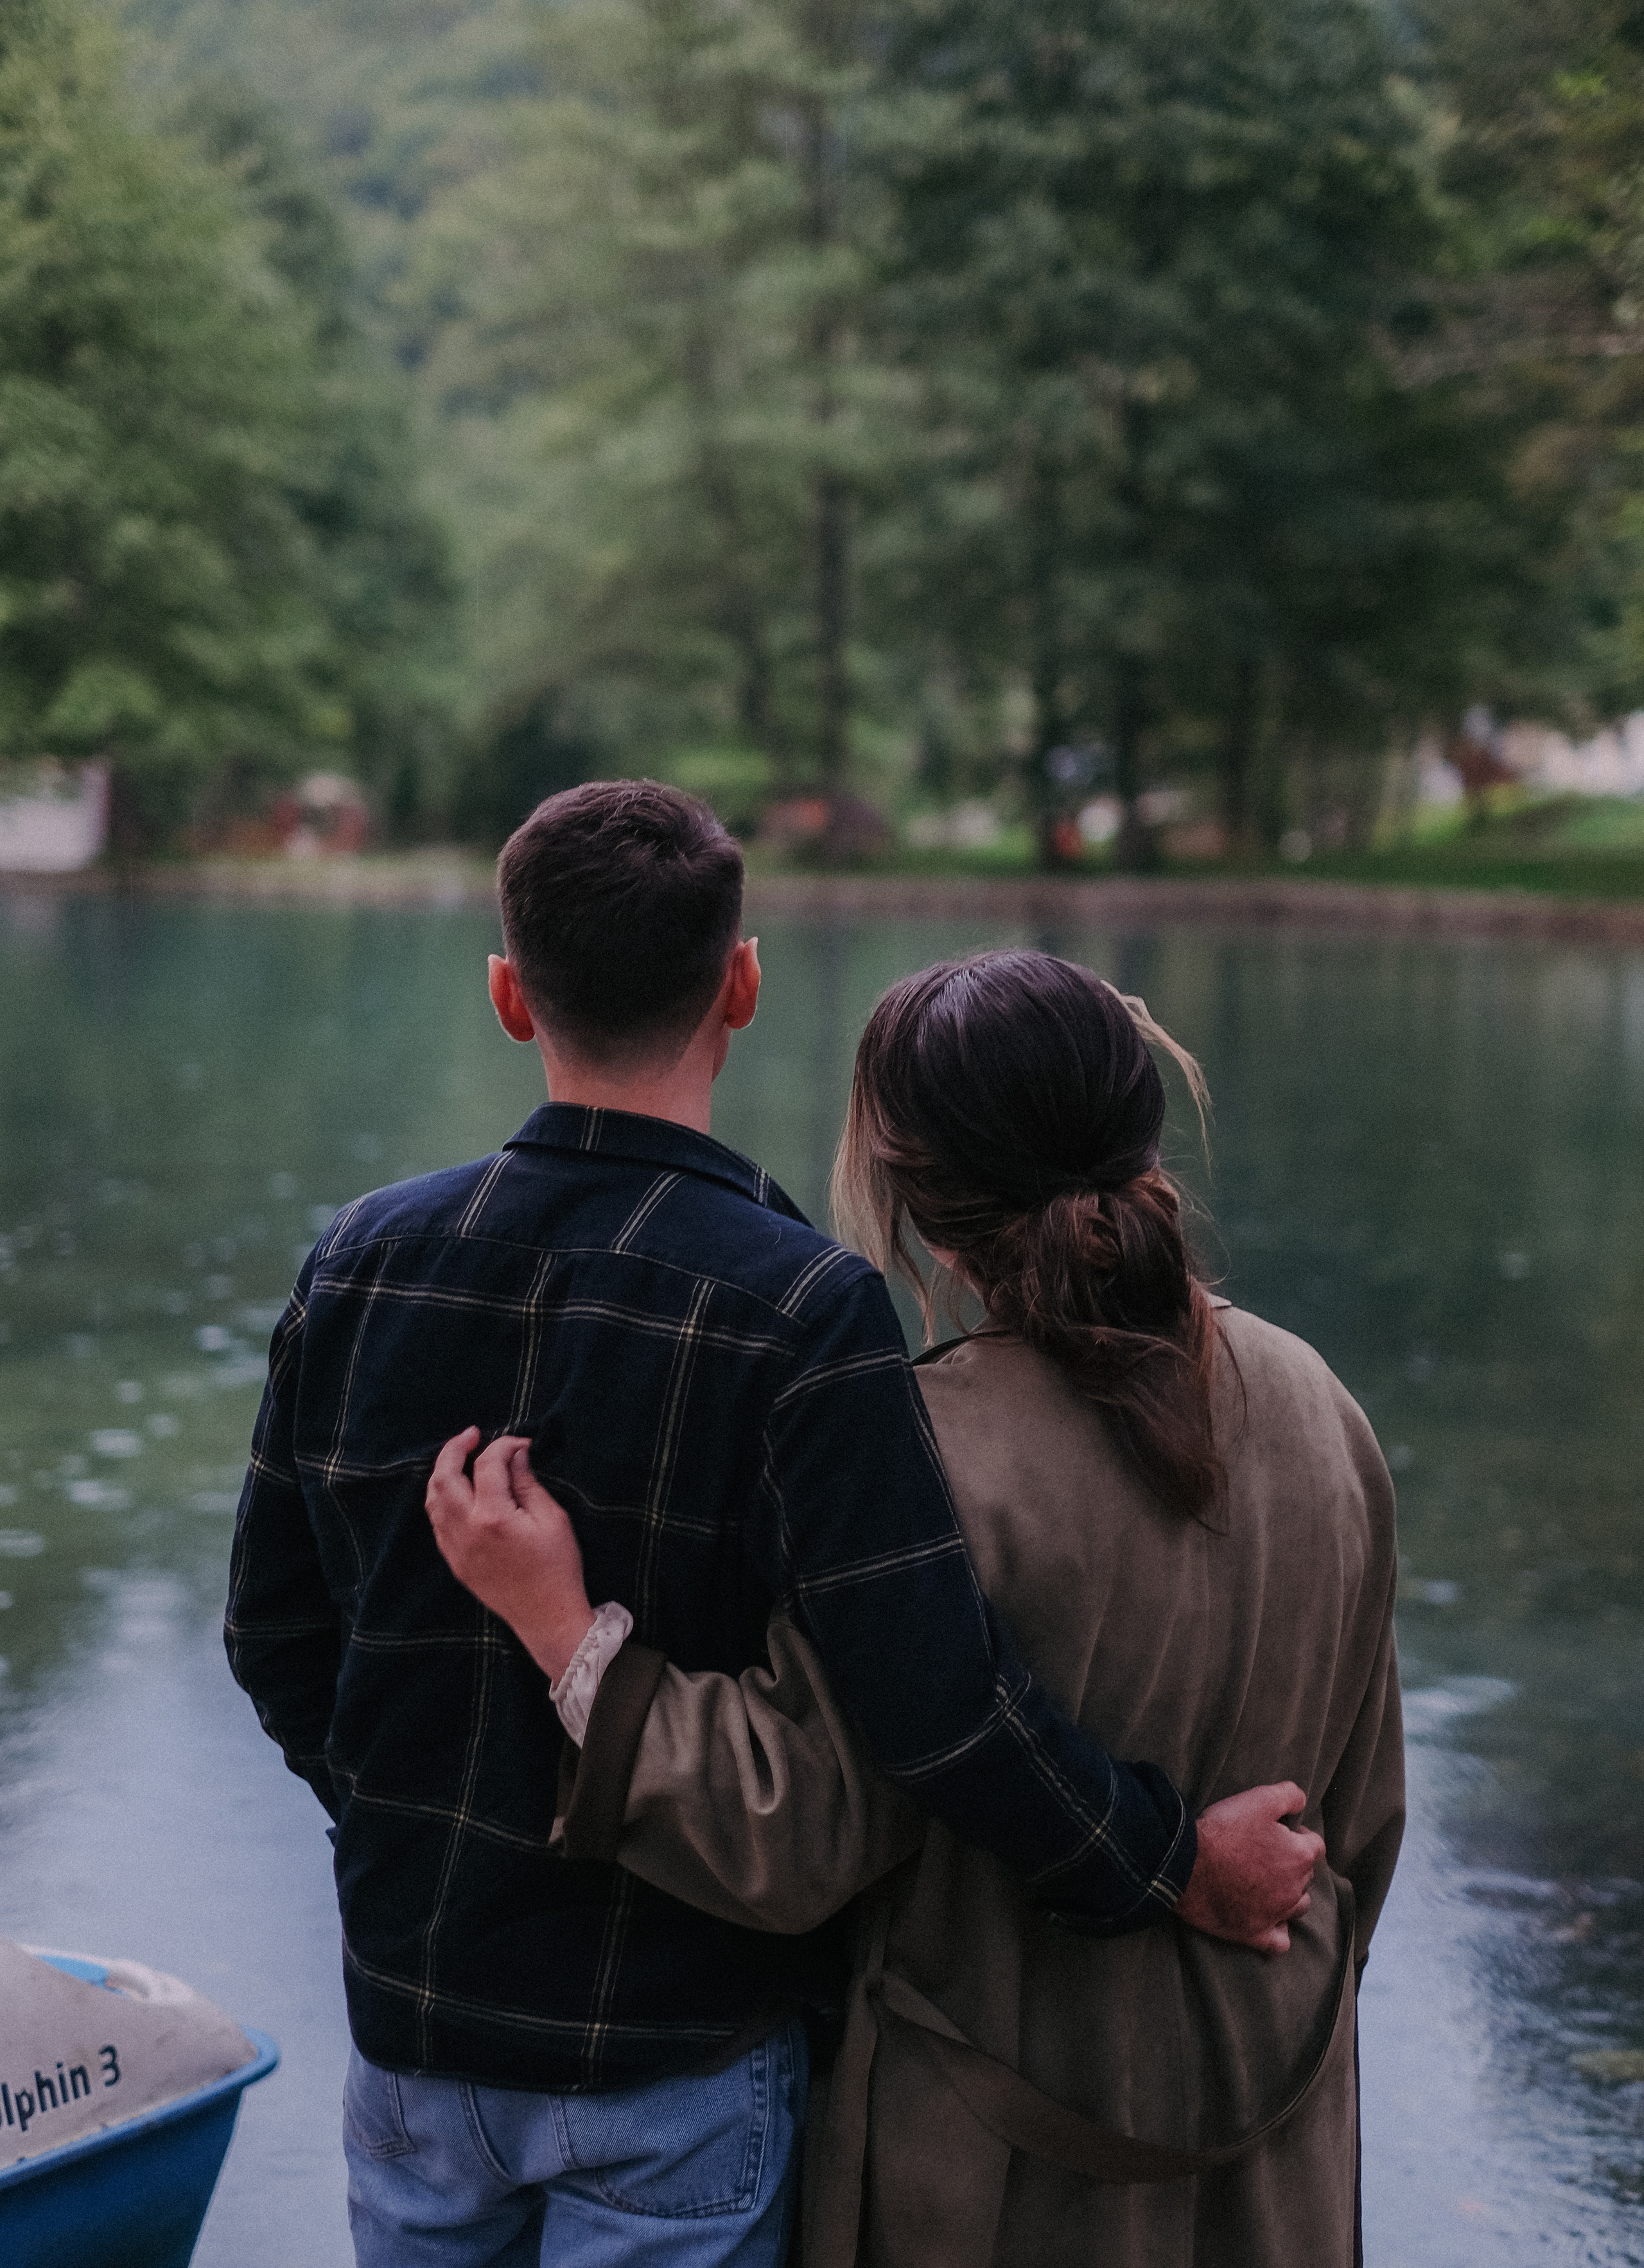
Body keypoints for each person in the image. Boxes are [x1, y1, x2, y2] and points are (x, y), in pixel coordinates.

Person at [227, 782, 1319, 2268]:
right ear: (740, 981)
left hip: (420, 2034)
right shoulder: (803, 1311)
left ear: (506, 997)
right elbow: (936, 1709)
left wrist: (415, 1825)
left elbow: (275, 1638)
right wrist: (1163, 1863)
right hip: (676, 2055)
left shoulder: (358, 1264)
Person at [429, 949, 1404, 2268]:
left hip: (1000, 2181)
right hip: (1266, 2151)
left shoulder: (911, 1457)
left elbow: (793, 1836)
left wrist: (565, 1634)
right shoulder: (1319, 1401)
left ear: (913, 1204)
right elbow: (1361, 1827)